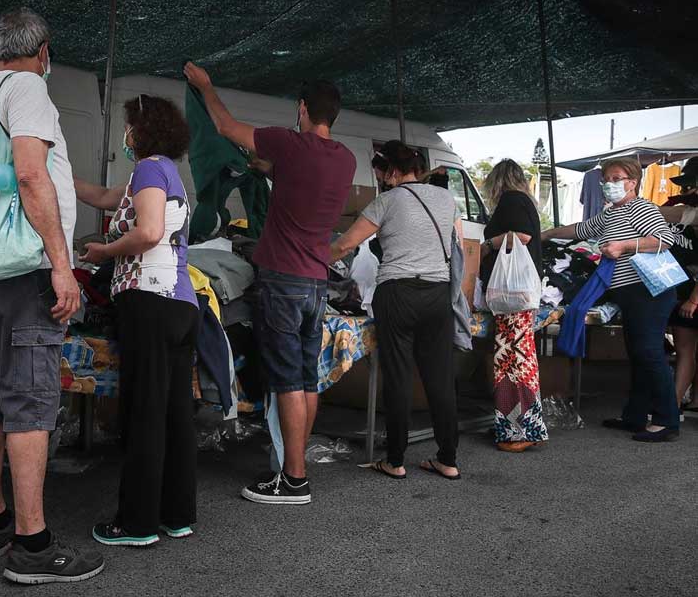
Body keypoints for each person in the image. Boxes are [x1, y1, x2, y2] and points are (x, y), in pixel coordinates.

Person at [0, 8, 103, 584]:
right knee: (31, 404)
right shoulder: (29, 91)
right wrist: (62, 267)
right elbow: (29, 175)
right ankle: (33, 545)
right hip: (26, 272)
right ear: (43, 50)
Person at [184, 61, 356, 504]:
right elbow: (299, 179)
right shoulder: (344, 159)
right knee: (306, 378)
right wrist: (266, 169)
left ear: (302, 109)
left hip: (283, 280)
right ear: (332, 115)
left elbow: (223, 126)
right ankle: (293, 462)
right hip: (317, 283)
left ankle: (293, 479)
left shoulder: (288, 142)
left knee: (285, 382)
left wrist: (205, 86)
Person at [75, 94, 199, 546]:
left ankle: (137, 523)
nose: (125, 136)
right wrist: (57, 177)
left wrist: (103, 252)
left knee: (145, 413)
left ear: (142, 130)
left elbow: (146, 232)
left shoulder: (150, 168)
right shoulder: (165, 174)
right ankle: (176, 515)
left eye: (128, 127)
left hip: (149, 300)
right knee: (174, 414)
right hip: (181, 305)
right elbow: (107, 197)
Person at [331, 140, 462, 480]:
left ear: (391, 171)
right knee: (440, 379)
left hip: (398, 294)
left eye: (380, 173)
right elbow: (457, 245)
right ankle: (447, 458)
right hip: (437, 294)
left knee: (399, 376)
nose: (379, 180)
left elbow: (346, 243)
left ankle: (395, 460)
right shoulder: (446, 199)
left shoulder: (386, 201)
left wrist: (312, 260)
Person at [543, 157, 678, 442]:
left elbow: (665, 238)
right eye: (606, 179)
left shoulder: (640, 208)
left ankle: (667, 420)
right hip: (631, 293)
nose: (610, 184)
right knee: (639, 354)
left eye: (617, 179)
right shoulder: (610, 214)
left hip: (649, 291)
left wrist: (624, 245)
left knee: (649, 353)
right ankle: (635, 417)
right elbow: (580, 230)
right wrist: (545, 234)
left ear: (632, 182)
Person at [478, 159, 548, 452]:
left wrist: (489, 245)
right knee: (516, 357)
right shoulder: (524, 200)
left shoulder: (512, 200)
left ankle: (522, 431)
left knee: (514, 360)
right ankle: (514, 427)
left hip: (514, 295)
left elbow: (522, 236)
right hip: (519, 294)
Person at [661, 158, 698, 411]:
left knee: (686, 350)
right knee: (687, 349)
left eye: (690, 185)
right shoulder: (679, 208)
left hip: (690, 294)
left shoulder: (688, 212)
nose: (686, 191)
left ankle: (672, 405)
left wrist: (694, 299)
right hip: (679, 288)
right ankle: (689, 401)